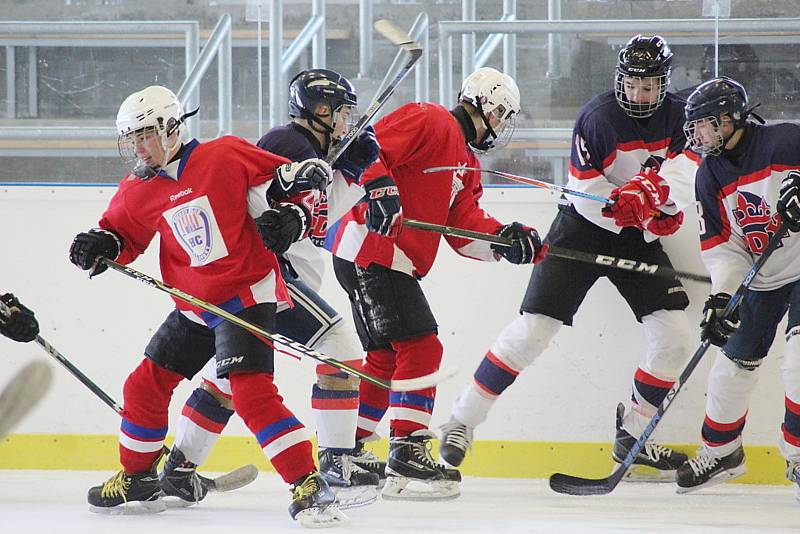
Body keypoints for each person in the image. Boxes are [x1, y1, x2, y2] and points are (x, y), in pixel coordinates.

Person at [68, 85, 343, 527]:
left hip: (245, 296)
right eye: (131, 138)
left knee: (251, 392)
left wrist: (295, 218)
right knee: (144, 385)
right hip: (193, 306)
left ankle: (308, 482)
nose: (138, 147)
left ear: (172, 129)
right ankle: (139, 477)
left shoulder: (225, 155)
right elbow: (124, 235)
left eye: (146, 135)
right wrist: (103, 245)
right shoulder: (139, 188)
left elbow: (303, 181)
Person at [440, 35, 699, 480]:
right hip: (583, 228)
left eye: (649, 85)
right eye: (633, 84)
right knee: (534, 330)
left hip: (634, 233)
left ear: (664, 83)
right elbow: (587, 197)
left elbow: (685, 174)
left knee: (675, 336)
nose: (639, 94)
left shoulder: (680, 117)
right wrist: (629, 205)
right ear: (620, 80)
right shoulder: (597, 118)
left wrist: (657, 209)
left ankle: (633, 437)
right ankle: (461, 420)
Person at [162, 69, 383, 509]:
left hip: (255, 278)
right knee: (339, 346)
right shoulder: (289, 144)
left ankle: (179, 467)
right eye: (340, 113)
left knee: (226, 375)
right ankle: (338, 459)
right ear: (318, 112)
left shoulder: (305, 146)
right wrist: (352, 172)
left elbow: (316, 214)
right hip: (269, 278)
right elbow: (302, 219)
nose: (346, 121)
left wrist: (353, 172)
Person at [326, 66, 542, 500]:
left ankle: (350, 451)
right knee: (424, 347)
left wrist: (505, 241)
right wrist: (381, 187)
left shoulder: (468, 162)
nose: (501, 126)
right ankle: (407, 450)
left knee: (386, 358)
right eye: (502, 116)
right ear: (489, 107)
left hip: (388, 259)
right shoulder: (430, 119)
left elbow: (464, 230)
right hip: (371, 247)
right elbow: (365, 149)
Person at [675, 77, 800, 500]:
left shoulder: (785, 142)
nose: (699, 136)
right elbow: (724, 247)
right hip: (762, 276)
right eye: (695, 128)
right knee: (730, 369)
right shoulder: (709, 174)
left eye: (706, 125)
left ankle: (798, 458)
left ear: (730, 119)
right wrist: (722, 298)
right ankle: (722, 450)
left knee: (799, 364)